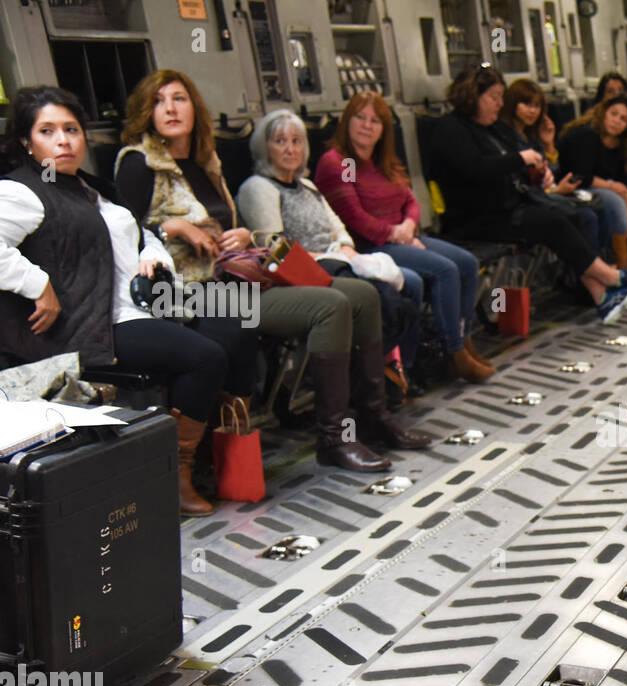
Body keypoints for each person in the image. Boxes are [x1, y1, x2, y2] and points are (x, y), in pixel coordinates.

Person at [115, 69, 425, 472]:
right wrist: (173, 227)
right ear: (146, 112)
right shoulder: (138, 163)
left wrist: (242, 234)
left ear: (195, 107)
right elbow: (121, 231)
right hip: (186, 290)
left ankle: (372, 417)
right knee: (330, 305)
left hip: (232, 278)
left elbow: (226, 229)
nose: (170, 108)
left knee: (364, 294)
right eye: (158, 101)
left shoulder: (205, 162)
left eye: (179, 98)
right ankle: (333, 438)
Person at [0, 85, 259, 516]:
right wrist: (37, 284)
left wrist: (151, 258)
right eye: (48, 131)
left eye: (72, 129)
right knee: (206, 355)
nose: (64, 140)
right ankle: (174, 474)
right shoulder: (23, 191)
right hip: (92, 323)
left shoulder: (92, 188)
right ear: (28, 142)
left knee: (239, 321)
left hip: (142, 304)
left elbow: (144, 235)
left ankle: (226, 455)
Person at [424, 63, 627, 325]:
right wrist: (521, 160)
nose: (499, 104)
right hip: (473, 217)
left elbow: (514, 163)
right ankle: (613, 279)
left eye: (501, 97)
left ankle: (601, 296)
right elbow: (476, 168)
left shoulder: (494, 128)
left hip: (508, 207)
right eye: (494, 98)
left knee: (573, 214)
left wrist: (536, 171)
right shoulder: (449, 129)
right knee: (549, 221)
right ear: (472, 96)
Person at [236, 109, 432, 410]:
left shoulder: (309, 187)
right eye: (280, 141)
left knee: (399, 300)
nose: (290, 149)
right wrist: (328, 256)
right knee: (383, 301)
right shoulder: (258, 188)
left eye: (297, 141)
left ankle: (383, 382)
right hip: (303, 271)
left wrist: (347, 251)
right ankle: (369, 393)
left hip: (335, 259)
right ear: (265, 147)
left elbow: (337, 225)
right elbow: (274, 246)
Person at [314, 92, 492, 383]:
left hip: (400, 237)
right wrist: (395, 234)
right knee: (445, 270)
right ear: (347, 120)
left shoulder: (383, 161)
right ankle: (454, 353)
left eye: (375, 120)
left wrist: (408, 226)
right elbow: (352, 216)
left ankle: (464, 339)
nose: (367, 126)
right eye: (360, 117)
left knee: (467, 263)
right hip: (369, 246)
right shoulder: (339, 163)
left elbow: (410, 200)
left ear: (384, 129)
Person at [501, 79, 601, 254]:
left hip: (545, 193)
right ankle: (588, 275)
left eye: (537, 106)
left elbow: (551, 170)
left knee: (601, 207)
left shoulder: (531, 135)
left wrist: (548, 145)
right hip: (529, 200)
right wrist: (554, 192)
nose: (533, 111)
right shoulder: (506, 137)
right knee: (587, 216)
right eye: (526, 104)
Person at [557, 94, 627, 270]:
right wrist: (613, 187)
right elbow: (581, 175)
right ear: (604, 113)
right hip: (574, 187)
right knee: (615, 200)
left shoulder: (625, 143)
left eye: (623, 119)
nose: (617, 121)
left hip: (601, 187)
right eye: (613, 114)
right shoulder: (586, 134)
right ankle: (622, 265)